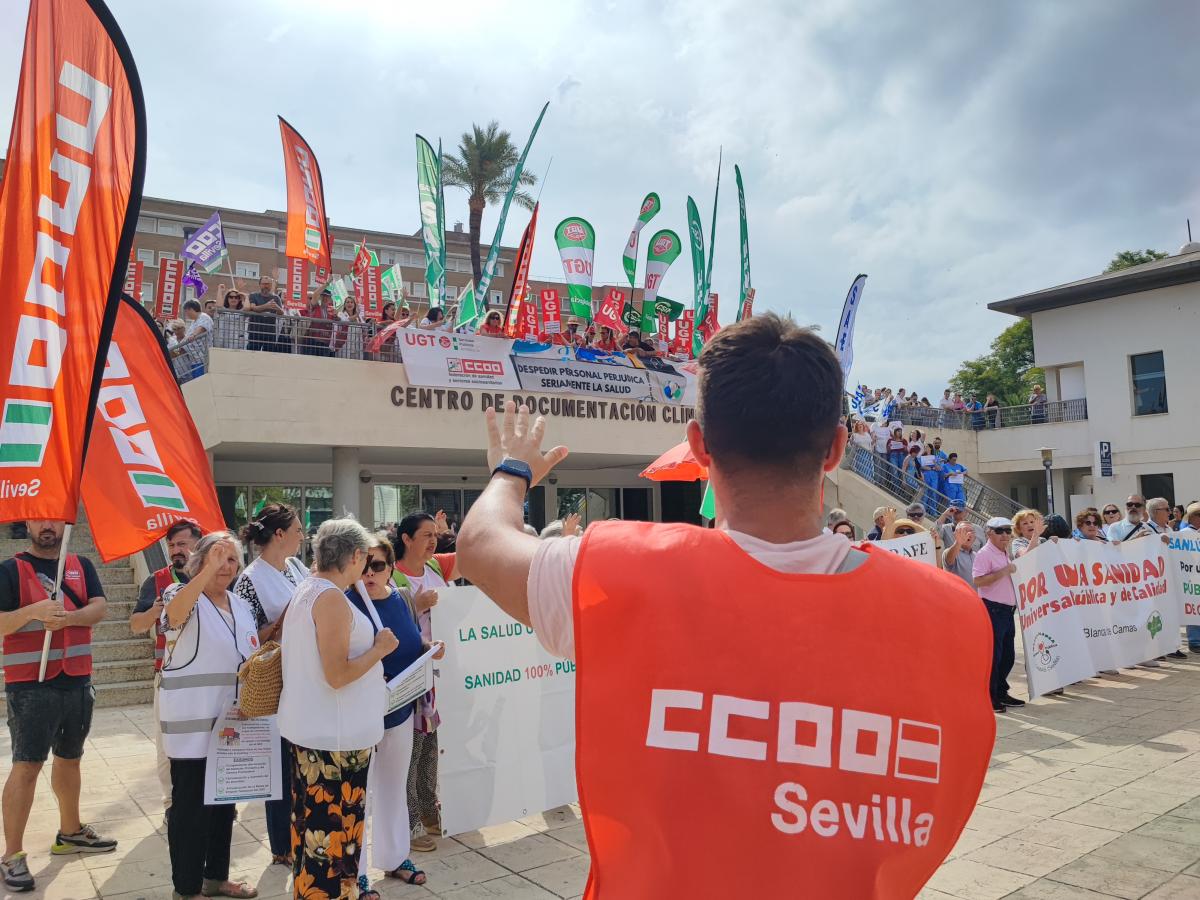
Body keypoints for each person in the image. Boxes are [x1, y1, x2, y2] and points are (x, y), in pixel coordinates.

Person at [454, 313, 995, 897]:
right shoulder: (952, 614)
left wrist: (512, 472)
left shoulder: (616, 572)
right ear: (837, 447)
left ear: (697, 445)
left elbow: (481, 544)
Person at [279, 519, 393, 900]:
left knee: (324, 847)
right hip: (334, 745)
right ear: (357, 556)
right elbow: (337, 675)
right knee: (329, 848)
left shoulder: (310, 590)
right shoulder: (328, 598)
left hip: (324, 736)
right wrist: (377, 651)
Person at [0, 521, 116, 892]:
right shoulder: (10, 570)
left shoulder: (80, 565)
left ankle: (70, 832)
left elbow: (99, 607)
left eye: (55, 517)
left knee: (71, 758)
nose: (48, 525)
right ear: (28, 522)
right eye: (40, 518)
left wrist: (71, 617)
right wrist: (33, 611)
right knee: (27, 765)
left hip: (77, 678)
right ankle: (13, 855)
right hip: (31, 685)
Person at [157, 533, 258, 900]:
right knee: (190, 810)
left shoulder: (240, 606)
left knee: (222, 807)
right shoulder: (180, 593)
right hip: (192, 726)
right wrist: (204, 573)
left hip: (232, 724)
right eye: (218, 557)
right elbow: (175, 615)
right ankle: (186, 888)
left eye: (232, 560)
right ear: (199, 560)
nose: (226, 566)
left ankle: (215, 877)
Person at [347, 534, 442, 888]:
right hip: (360, 713)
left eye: (378, 565)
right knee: (360, 795)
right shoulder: (345, 603)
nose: (370, 573)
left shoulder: (401, 598)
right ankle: (354, 871)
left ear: (390, 568)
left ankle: (394, 856)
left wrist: (430, 648)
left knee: (392, 786)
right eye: (363, 564)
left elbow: (414, 641)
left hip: (400, 708)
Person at [230, 504, 307, 866]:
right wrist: (282, 623)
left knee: (299, 765)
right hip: (274, 681)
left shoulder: (294, 568)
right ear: (279, 534)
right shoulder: (249, 579)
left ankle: (300, 834)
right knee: (278, 768)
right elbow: (247, 640)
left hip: (302, 677)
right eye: (297, 529)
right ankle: (281, 846)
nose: (302, 536)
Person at [390, 512, 456, 851]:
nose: (432, 541)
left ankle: (431, 811)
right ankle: (410, 820)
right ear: (406, 539)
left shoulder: (435, 568)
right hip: (409, 675)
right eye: (426, 534)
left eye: (435, 535)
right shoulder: (392, 576)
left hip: (437, 677)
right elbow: (387, 620)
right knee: (411, 751)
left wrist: (448, 532)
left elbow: (475, 558)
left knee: (431, 748)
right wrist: (416, 605)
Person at [130, 519, 203, 820]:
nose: (177, 550)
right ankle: (171, 803)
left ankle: (210, 799)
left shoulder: (215, 578)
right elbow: (136, 625)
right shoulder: (157, 580)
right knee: (166, 743)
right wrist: (158, 609)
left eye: (183, 544)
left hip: (206, 677)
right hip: (168, 675)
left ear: (199, 544)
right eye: (172, 545)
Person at [973, 517, 1023, 713]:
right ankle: (990, 695)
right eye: (1000, 531)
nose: (1005, 535)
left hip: (1006, 610)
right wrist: (1004, 571)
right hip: (993, 609)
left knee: (1008, 656)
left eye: (1008, 531)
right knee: (996, 656)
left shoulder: (1003, 552)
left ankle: (1000, 691)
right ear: (989, 533)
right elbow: (978, 580)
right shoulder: (985, 554)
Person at [247, 276, 286, 353]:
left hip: (270, 333)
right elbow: (253, 308)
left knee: (269, 357)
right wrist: (266, 306)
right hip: (255, 332)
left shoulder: (276, 298)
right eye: (264, 284)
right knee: (252, 355)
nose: (266, 286)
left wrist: (276, 307)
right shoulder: (253, 295)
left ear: (271, 285)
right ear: (260, 284)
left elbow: (281, 313)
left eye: (268, 284)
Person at [300, 288, 336, 357]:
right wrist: (327, 283)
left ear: (330, 299)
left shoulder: (332, 312)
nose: (325, 298)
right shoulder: (315, 307)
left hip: (325, 342)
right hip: (312, 341)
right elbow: (315, 295)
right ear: (320, 297)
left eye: (327, 296)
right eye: (323, 296)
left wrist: (337, 317)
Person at [336, 294, 367, 359]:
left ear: (354, 305)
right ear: (344, 305)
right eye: (347, 302)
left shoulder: (359, 317)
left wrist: (370, 321)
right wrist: (357, 314)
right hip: (344, 346)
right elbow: (345, 321)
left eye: (351, 302)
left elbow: (365, 328)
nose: (349, 304)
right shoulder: (341, 314)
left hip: (357, 346)